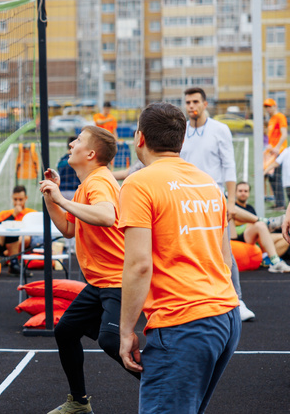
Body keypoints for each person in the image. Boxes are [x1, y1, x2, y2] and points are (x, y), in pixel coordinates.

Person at [119, 102, 240, 414]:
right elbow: (225, 260)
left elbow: (138, 265)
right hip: (225, 315)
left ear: (139, 138)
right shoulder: (208, 184)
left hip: (185, 323)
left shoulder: (139, 182)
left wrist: (125, 330)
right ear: (182, 141)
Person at [39, 126, 138, 414]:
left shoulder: (99, 182)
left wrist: (62, 199)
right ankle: (79, 403)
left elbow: (106, 216)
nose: (72, 144)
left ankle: (164, 387)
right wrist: (51, 196)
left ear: (91, 153)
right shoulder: (87, 185)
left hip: (118, 281)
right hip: (99, 282)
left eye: (78, 141)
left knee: (109, 340)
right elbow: (69, 229)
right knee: (66, 331)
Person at [180, 87, 255, 322]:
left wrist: (231, 201)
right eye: (188, 102)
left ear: (205, 104)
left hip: (214, 197)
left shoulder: (220, 130)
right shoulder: (181, 131)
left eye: (195, 102)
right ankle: (196, 299)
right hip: (185, 198)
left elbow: (229, 165)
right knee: (188, 247)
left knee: (224, 248)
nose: (191, 106)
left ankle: (237, 299)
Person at [232, 181, 290, 269]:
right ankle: (275, 262)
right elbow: (236, 222)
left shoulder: (250, 208)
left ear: (248, 193)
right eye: (240, 191)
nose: (243, 193)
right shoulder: (232, 207)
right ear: (235, 193)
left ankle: (265, 258)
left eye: (245, 191)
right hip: (241, 237)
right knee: (260, 225)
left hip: (257, 238)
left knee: (285, 237)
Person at [0, 185, 37, 275]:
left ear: (26, 198)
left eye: (20, 200)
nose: (18, 203)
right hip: (4, 244)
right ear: (12, 198)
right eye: (15, 199)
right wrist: (14, 214)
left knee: (25, 238)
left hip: (25, 246)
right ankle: (11, 260)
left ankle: (6, 256)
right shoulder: (4, 214)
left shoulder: (31, 214)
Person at [264, 98, 288, 209]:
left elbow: (284, 134)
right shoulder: (271, 119)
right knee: (272, 177)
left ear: (275, 106)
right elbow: (272, 137)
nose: (268, 109)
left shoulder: (280, 117)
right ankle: (278, 202)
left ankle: (281, 204)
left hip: (279, 151)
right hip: (272, 152)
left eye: (270, 106)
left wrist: (278, 147)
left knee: (277, 177)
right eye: (266, 107)